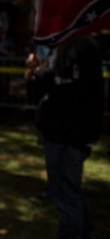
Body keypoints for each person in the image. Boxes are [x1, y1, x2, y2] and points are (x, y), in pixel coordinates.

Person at [28, 35, 103, 239]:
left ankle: (72, 234)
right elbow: (49, 85)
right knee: (63, 187)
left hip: (73, 131)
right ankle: (85, 231)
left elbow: (87, 91)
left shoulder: (84, 47)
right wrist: (36, 73)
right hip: (56, 130)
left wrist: (90, 130)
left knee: (67, 189)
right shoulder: (57, 49)